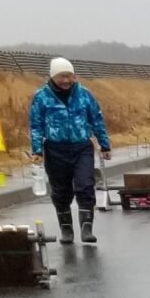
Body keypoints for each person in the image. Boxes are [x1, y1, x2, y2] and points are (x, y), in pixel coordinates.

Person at [27, 57, 111, 248]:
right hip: (55, 149)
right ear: (52, 76)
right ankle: (66, 228)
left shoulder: (84, 94)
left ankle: (87, 228)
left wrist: (105, 145)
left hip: (81, 147)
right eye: (61, 77)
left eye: (69, 76)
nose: (65, 80)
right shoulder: (41, 96)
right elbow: (36, 125)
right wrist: (37, 150)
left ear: (74, 76)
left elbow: (96, 119)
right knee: (61, 191)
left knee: (85, 185)